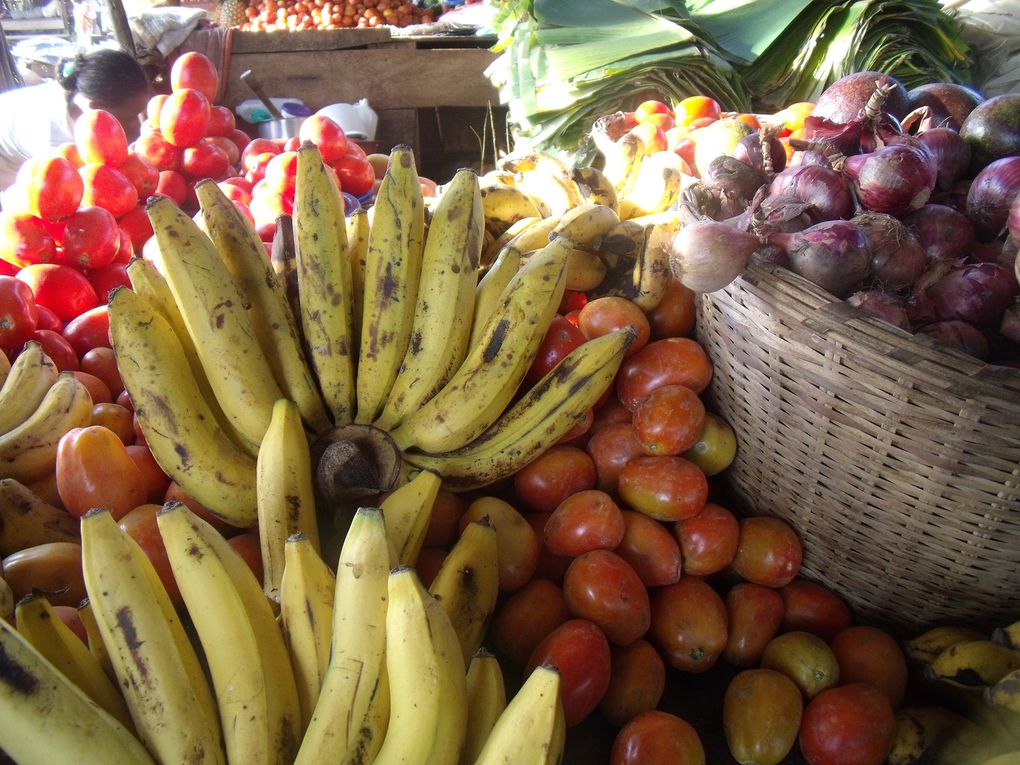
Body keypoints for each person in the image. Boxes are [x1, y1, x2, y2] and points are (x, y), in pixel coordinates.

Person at [0, 47, 151, 192]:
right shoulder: (54, 138)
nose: (138, 126)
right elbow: (79, 192)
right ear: (97, 107)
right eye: (129, 118)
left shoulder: (79, 95)